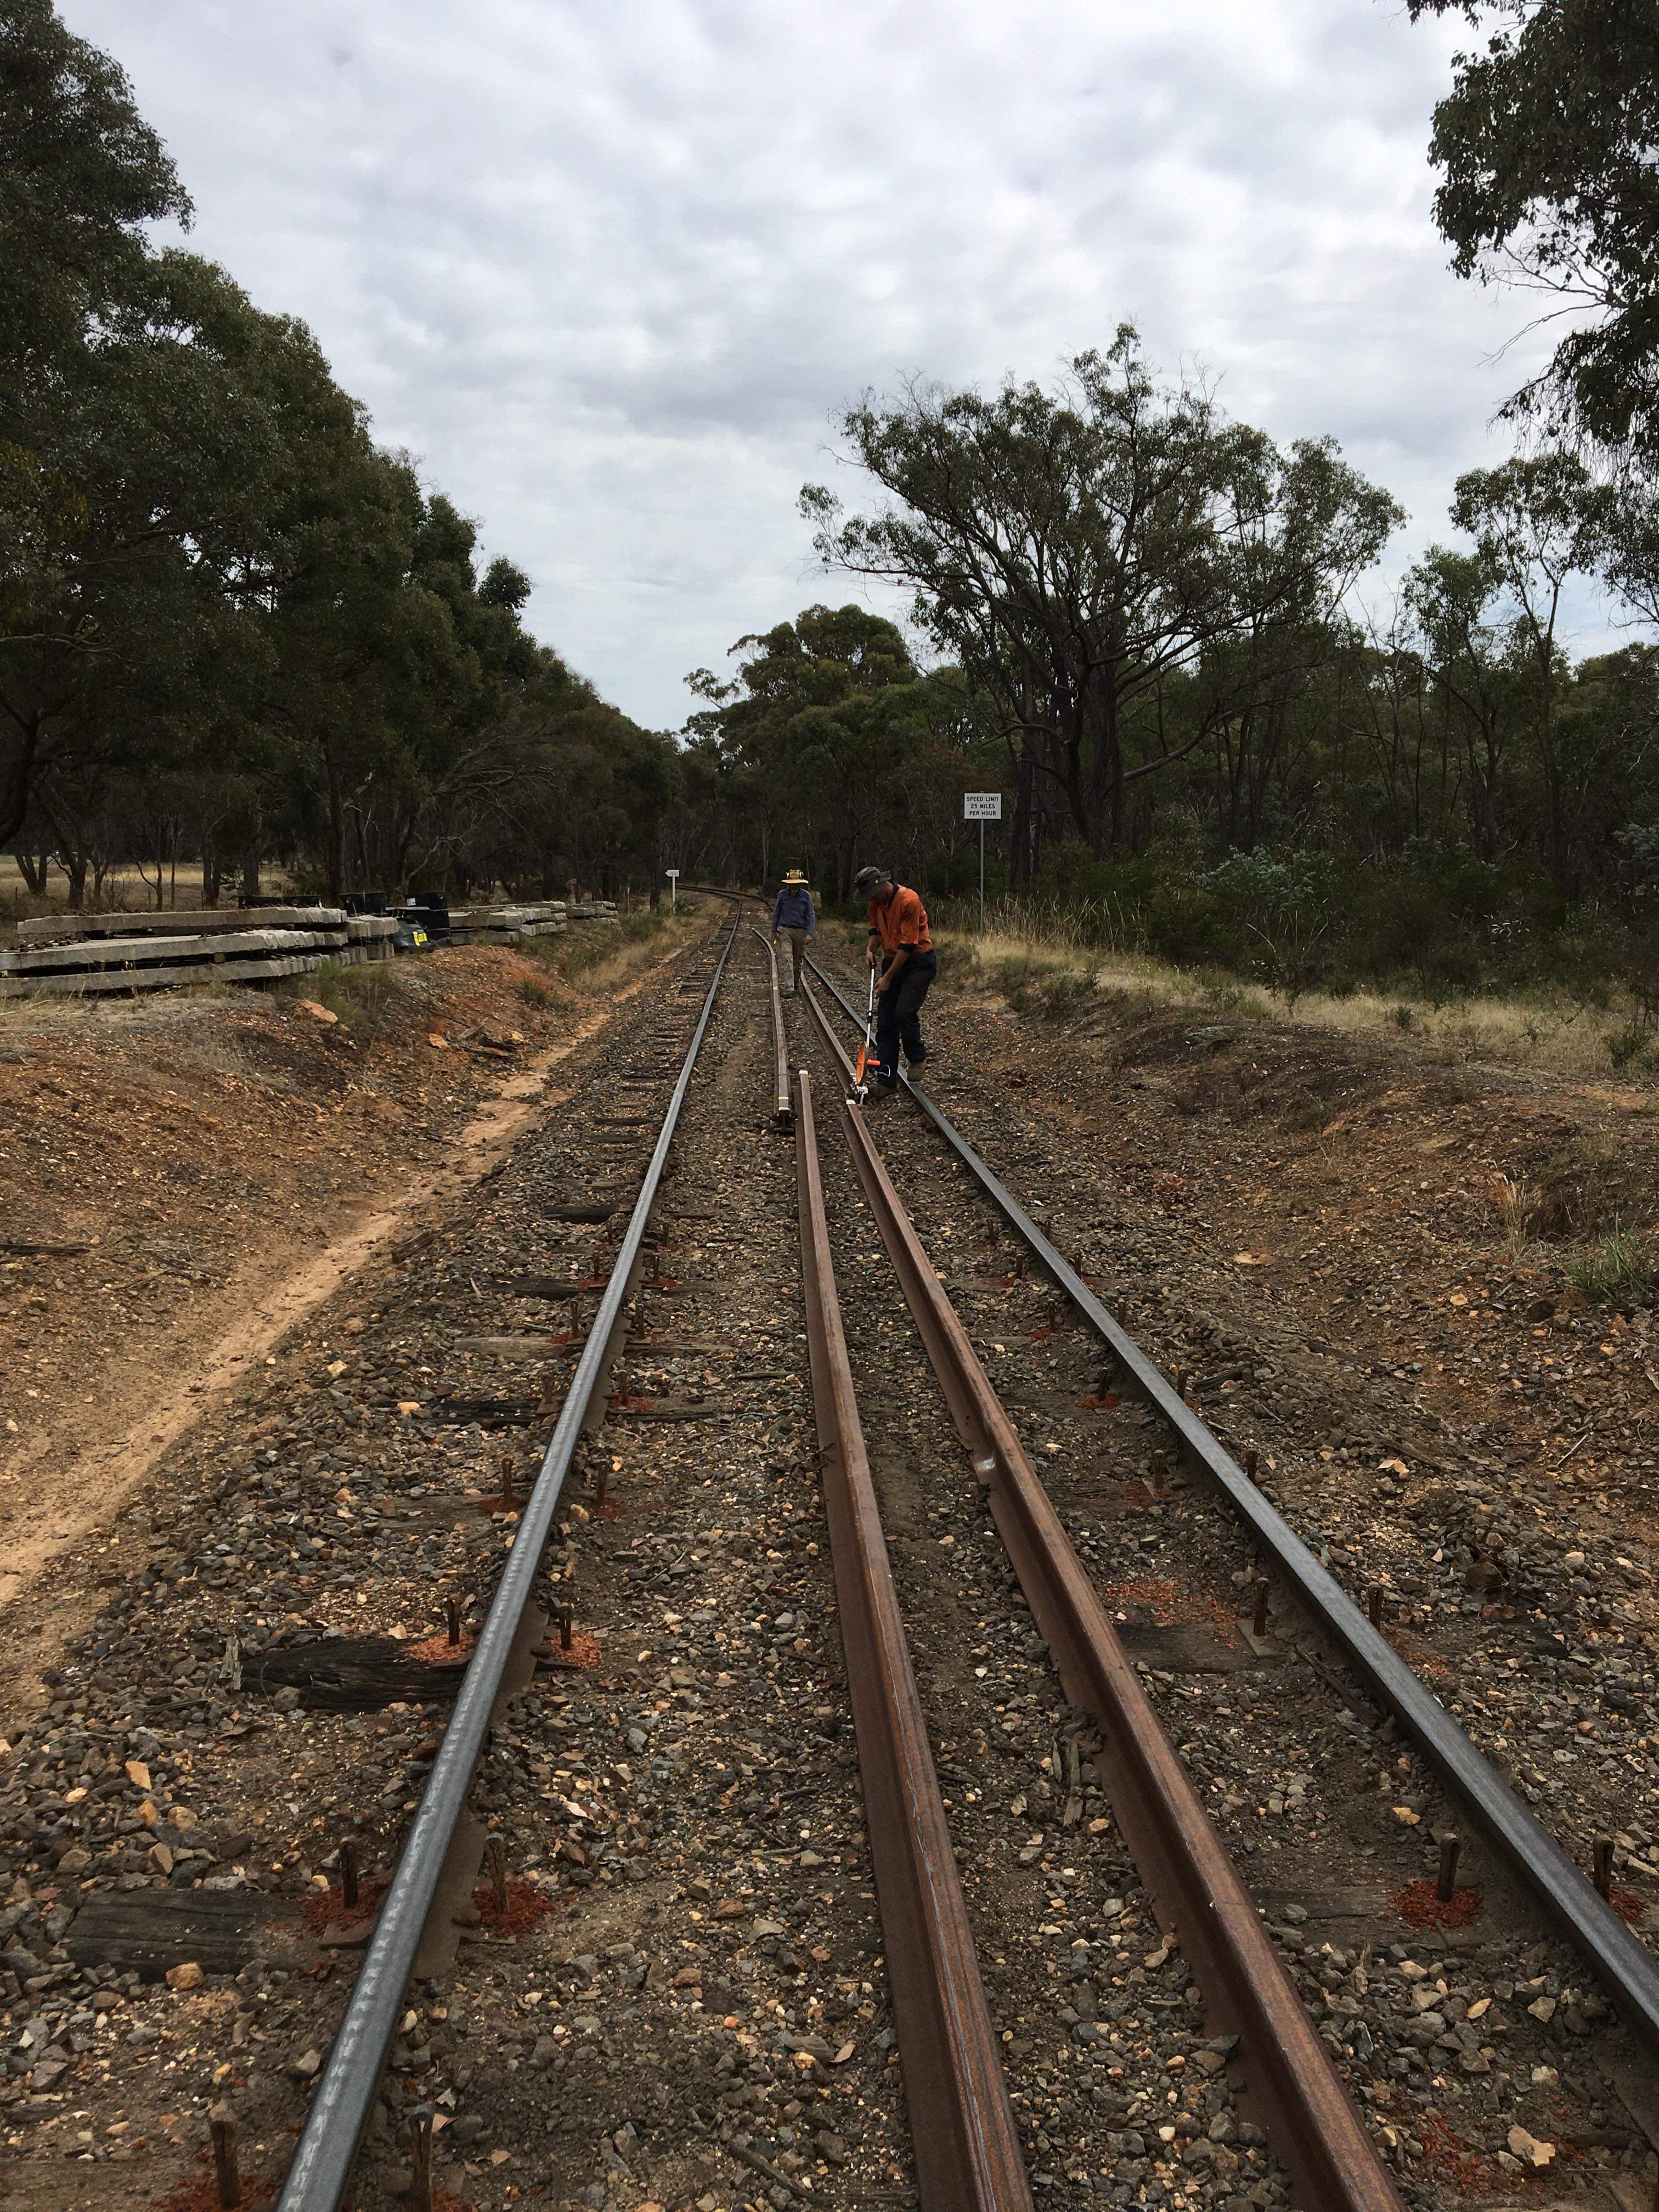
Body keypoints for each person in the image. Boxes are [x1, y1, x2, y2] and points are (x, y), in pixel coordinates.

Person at [853, 865, 935, 1094]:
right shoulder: (876, 903)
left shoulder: (909, 900)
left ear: (881, 886)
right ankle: (886, 1080)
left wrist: (888, 978)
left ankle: (917, 1057)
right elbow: (876, 931)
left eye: (872, 894)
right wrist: (870, 950)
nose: (872, 900)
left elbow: (908, 945)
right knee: (887, 1021)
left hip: (918, 962)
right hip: (892, 959)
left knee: (904, 1013)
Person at [769, 868, 815, 996]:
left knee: (797, 961)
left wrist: (810, 933)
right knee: (787, 958)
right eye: (792, 884)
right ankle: (789, 988)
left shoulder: (806, 896)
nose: (794, 886)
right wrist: (774, 931)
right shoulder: (782, 895)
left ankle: (795, 984)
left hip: (801, 931)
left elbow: (811, 915)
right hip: (785, 930)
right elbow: (777, 913)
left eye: (797, 884)